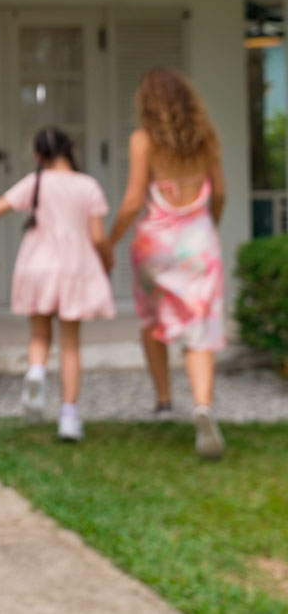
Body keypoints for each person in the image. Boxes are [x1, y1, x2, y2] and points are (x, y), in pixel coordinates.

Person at [0, 127, 114, 442]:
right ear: (71, 148)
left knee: (39, 334)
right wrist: (107, 262)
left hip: (38, 266)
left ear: (37, 156)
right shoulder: (88, 186)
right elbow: (98, 237)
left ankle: (36, 372)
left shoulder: (36, 182)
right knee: (70, 344)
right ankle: (68, 417)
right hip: (73, 268)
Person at [102, 68, 227, 460]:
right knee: (199, 331)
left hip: (155, 245)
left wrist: (108, 241)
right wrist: (209, 228)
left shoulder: (143, 140)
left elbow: (133, 201)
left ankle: (163, 400)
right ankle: (203, 407)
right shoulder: (206, 136)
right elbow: (219, 192)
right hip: (200, 242)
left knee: (153, 321)